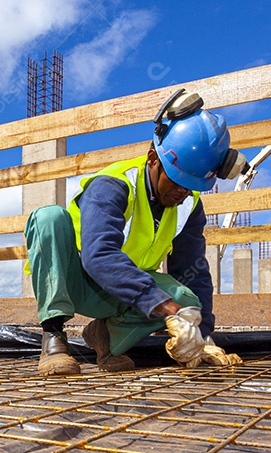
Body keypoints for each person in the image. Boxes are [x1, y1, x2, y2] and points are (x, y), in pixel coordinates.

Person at [25, 89, 245, 376]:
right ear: (153, 158)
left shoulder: (189, 204)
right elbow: (99, 256)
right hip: (77, 282)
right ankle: (53, 337)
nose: (182, 191)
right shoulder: (113, 185)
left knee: (189, 303)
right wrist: (162, 305)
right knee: (48, 217)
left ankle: (106, 338)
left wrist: (203, 337)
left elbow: (193, 269)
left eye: (191, 185)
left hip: (125, 292)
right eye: (177, 180)